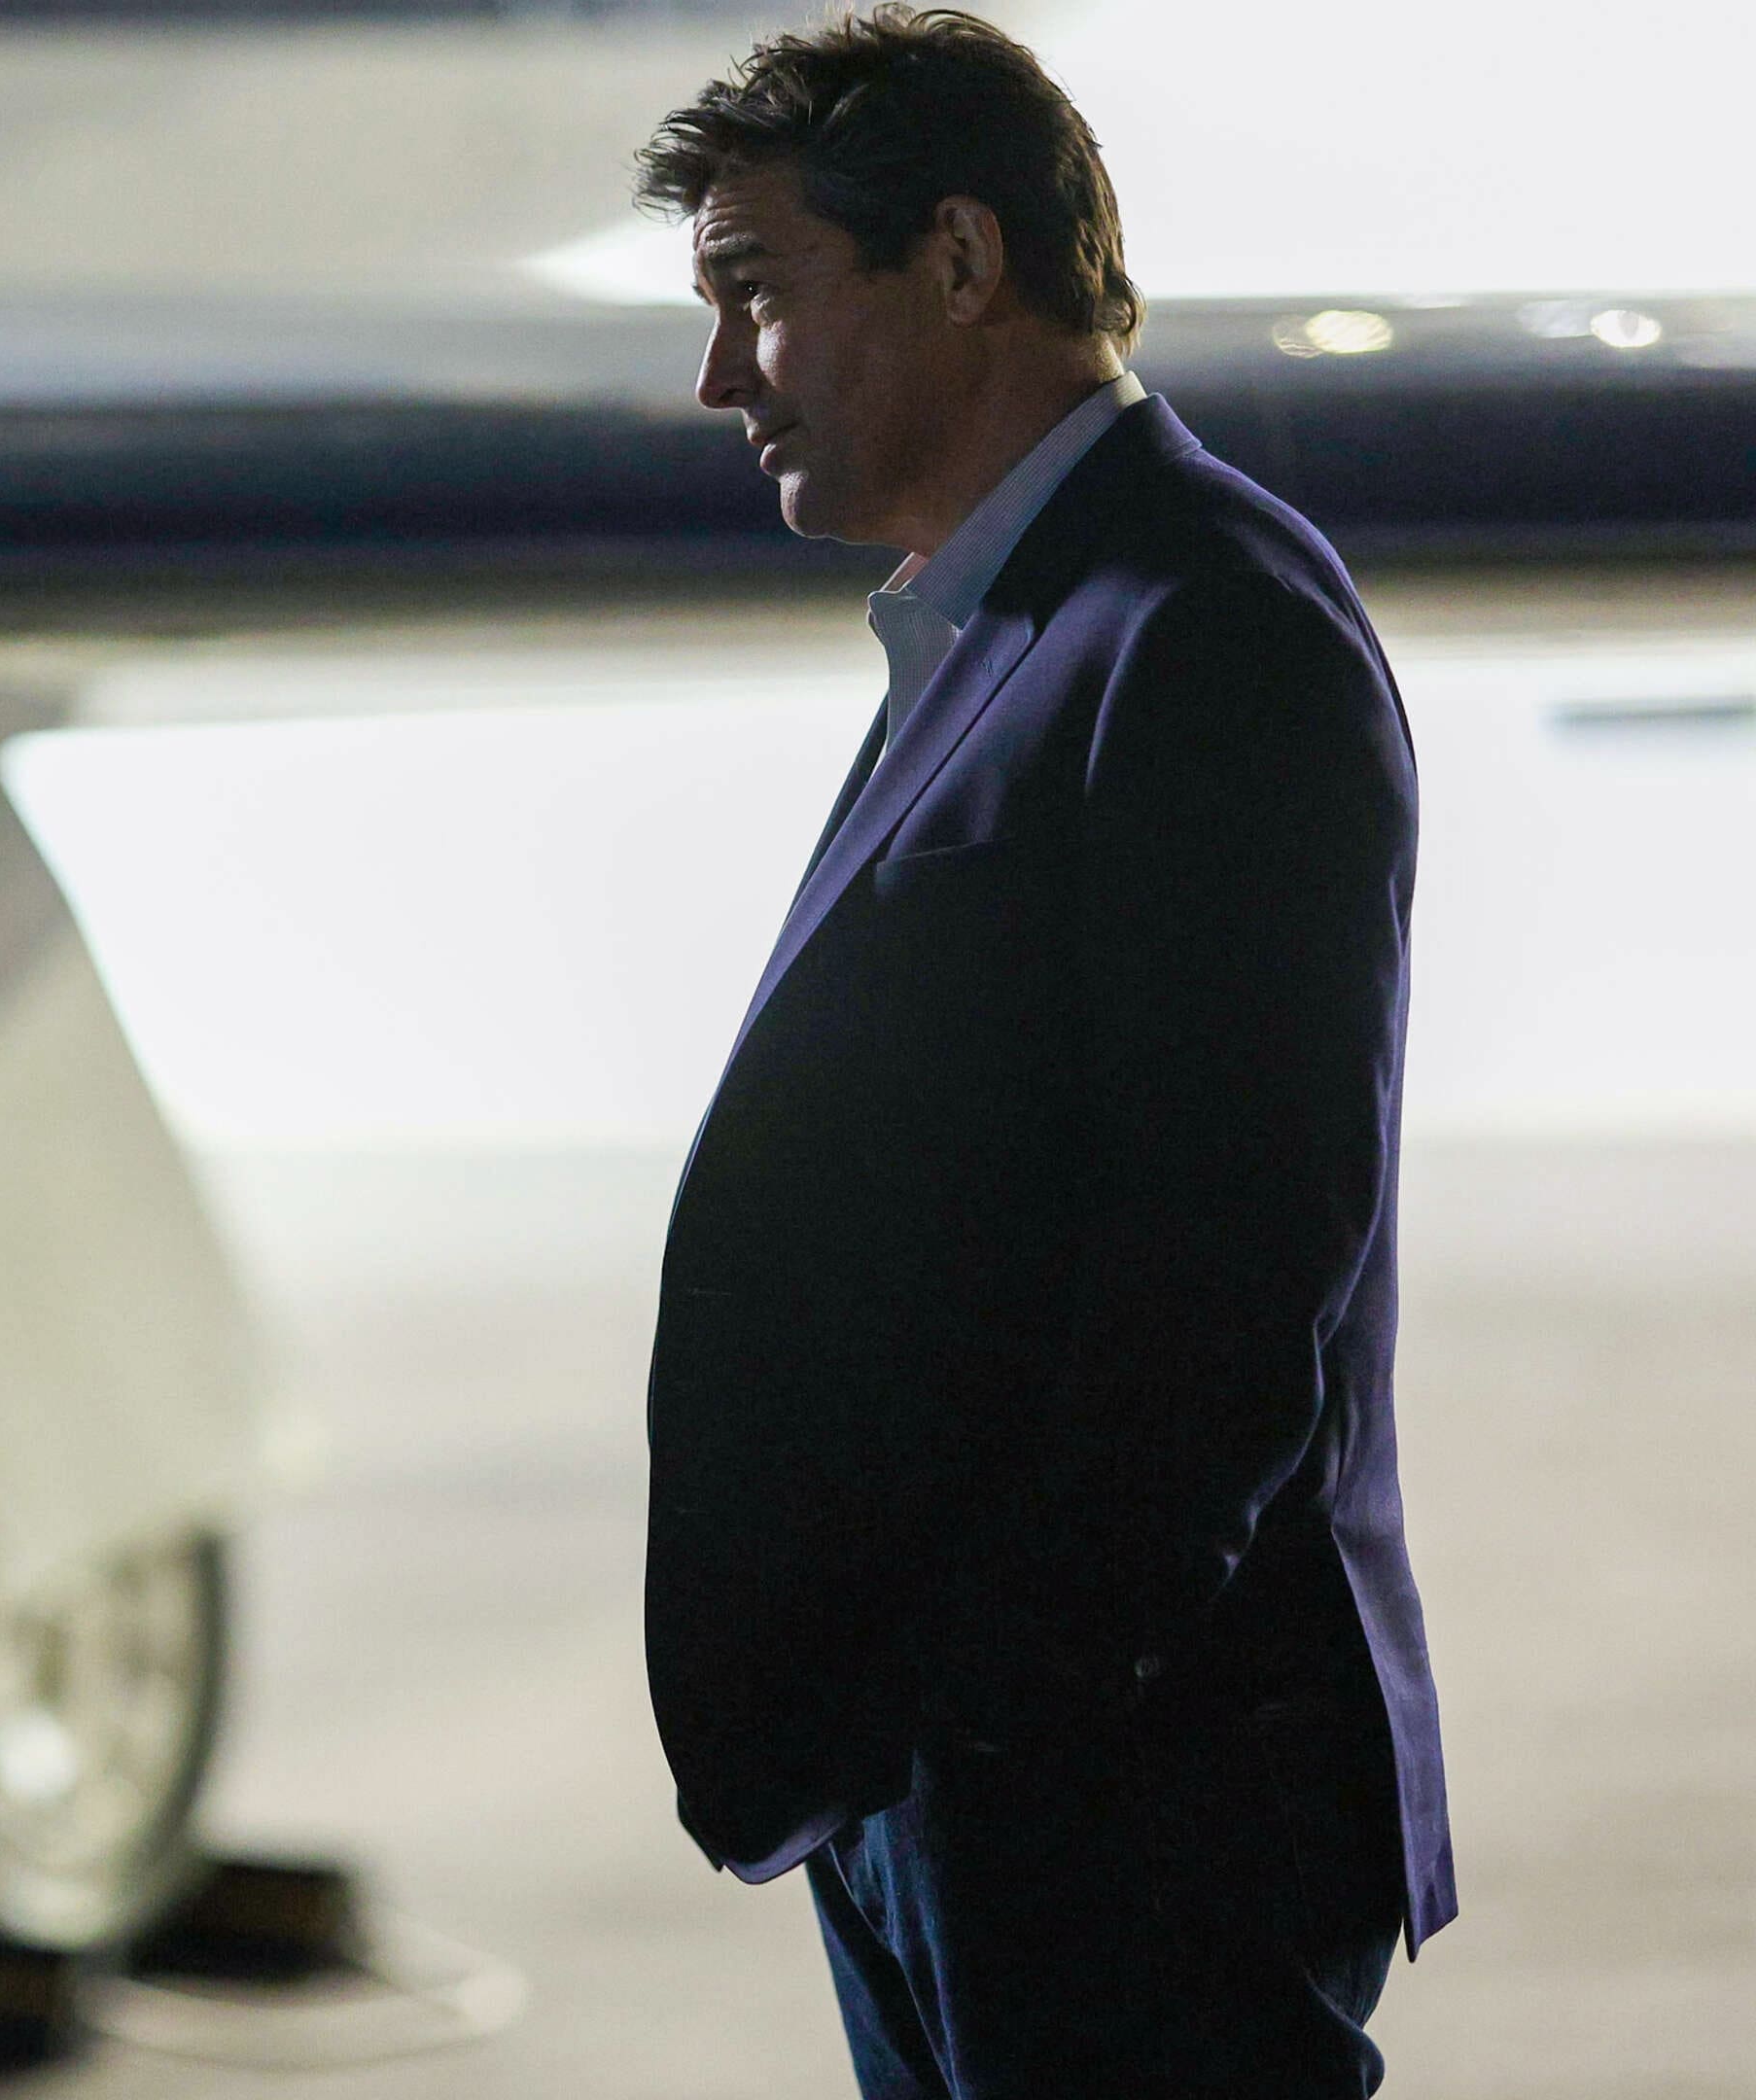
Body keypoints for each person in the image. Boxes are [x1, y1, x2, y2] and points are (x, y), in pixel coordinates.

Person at [630, 12, 1452, 2094]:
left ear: (964, 261)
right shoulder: (1015, 622)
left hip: (1126, 1797)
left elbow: (1239, 1255)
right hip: (970, 1785)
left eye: (756, 293)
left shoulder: (1207, 627)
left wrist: (1010, 1710)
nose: (722, 378)